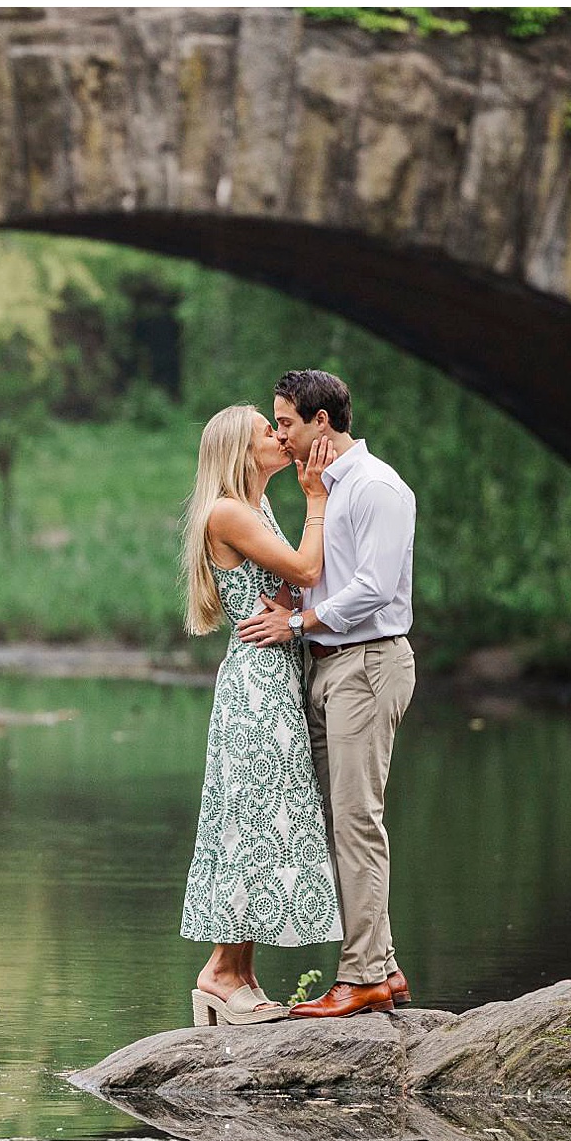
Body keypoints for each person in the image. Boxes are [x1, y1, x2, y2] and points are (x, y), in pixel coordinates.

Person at [237, 370, 417, 1020]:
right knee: (342, 822)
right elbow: (319, 574)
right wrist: (287, 600)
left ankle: (362, 975)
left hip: (367, 665)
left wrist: (293, 622)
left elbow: (373, 587)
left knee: (358, 821)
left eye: (285, 422)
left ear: (321, 422)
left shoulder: (377, 487)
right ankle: (385, 966)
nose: (278, 434)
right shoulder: (323, 489)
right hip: (329, 670)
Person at [177, 404, 341, 1025]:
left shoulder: (255, 507)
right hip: (256, 685)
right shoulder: (229, 512)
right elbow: (304, 568)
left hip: (276, 676)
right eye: (266, 431)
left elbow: (292, 587)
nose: (280, 436)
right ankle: (220, 973)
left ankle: (239, 973)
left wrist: (294, 609)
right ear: (242, 451)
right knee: (250, 821)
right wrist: (317, 498)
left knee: (265, 818)